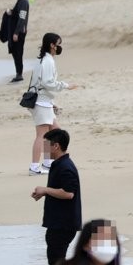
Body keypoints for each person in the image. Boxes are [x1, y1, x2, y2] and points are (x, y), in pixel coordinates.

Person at [29, 128, 82, 265]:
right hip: (58, 222)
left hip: (63, 223)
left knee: (56, 262)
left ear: (56, 146)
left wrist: (45, 190)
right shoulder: (59, 164)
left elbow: (68, 194)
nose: (44, 149)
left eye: (46, 146)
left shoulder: (65, 167)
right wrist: (45, 193)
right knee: (56, 261)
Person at [29, 33, 79, 176]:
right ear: (52, 45)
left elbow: (39, 83)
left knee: (55, 132)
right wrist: (65, 85)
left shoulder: (43, 59)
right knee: (42, 135)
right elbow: (47, 83)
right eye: (59, 43)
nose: (60, 46)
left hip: (44, 102)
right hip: (41, 102)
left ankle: (47, 162)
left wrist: (52, 103)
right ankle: (34, 166)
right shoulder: (48, 61)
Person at [7, 0, 30, 83]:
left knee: (18, 53)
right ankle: (18, 73)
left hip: (19, 32)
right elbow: (17, 13)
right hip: (18, 30)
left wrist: (16, 32)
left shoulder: (24, 2)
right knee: (16, 53)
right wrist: (10, 12)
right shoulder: (20, 1)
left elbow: (22, 18)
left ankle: (19, 74)